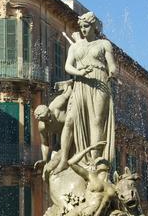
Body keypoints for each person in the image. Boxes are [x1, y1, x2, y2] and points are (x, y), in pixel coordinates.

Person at [54, 12, 117, 174]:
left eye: (86, 26)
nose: (83, 29)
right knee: (69, 120)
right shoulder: (75, 47)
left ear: (94, 27)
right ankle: (63, 160)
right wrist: (79, 72)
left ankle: (94, 161)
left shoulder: (104, 44)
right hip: (81, 83)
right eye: (81, 27)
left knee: (97, 121)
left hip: (99, 83)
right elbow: (68, 66)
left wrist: (113, 72)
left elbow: (112, 65)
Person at [66, 141, 116, 216]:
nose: (101, 161)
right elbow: (71, 162)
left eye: (102, 161)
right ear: (95, 167)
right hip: (81, 212)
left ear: (108, 166)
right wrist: (90, 148)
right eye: (98, 162)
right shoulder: (90, 176)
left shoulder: (113, 186)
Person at [34, 80, 73, 169]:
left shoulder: (58, 104)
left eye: (49, 118)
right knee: (51, 167)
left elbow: (69, 93)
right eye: (46, 121)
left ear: (49, 112)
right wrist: (44, 159)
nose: (49, 122)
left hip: (75, 130)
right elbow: (44, 144)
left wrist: (68, 86)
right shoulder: (42, 126)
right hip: (61, 141)